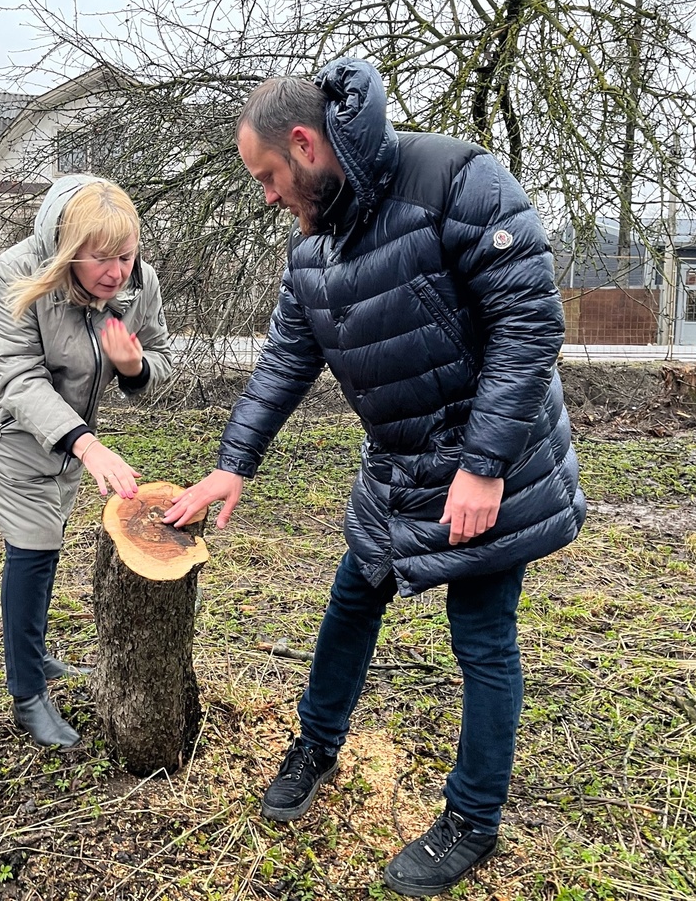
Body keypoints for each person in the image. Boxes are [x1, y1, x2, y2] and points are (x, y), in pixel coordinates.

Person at [164, 58, 585, 896]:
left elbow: (531, 322)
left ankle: (472, 818)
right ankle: (317, 745)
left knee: (483, 636)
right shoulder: (313, 243)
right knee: (354, 597)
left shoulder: (456, 178)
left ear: (305, 143)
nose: (267, 196)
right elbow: (287, 357)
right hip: (396, 466)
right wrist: (231, 464)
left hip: (489, 466)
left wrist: (484, 466)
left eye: (270, 178)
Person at [0, 175, 172, 748]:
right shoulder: (16, 274)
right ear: (68, 252)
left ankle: (37, 654)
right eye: (101, 259)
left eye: (126, 256)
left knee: (46, 533)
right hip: (0, 419)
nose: (117, 272)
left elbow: (161, 354)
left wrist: (133, 367)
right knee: (34, 541)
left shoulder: (138, 282)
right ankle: (28, 693)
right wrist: (87, 444)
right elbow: (20, 379)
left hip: (70, 432)